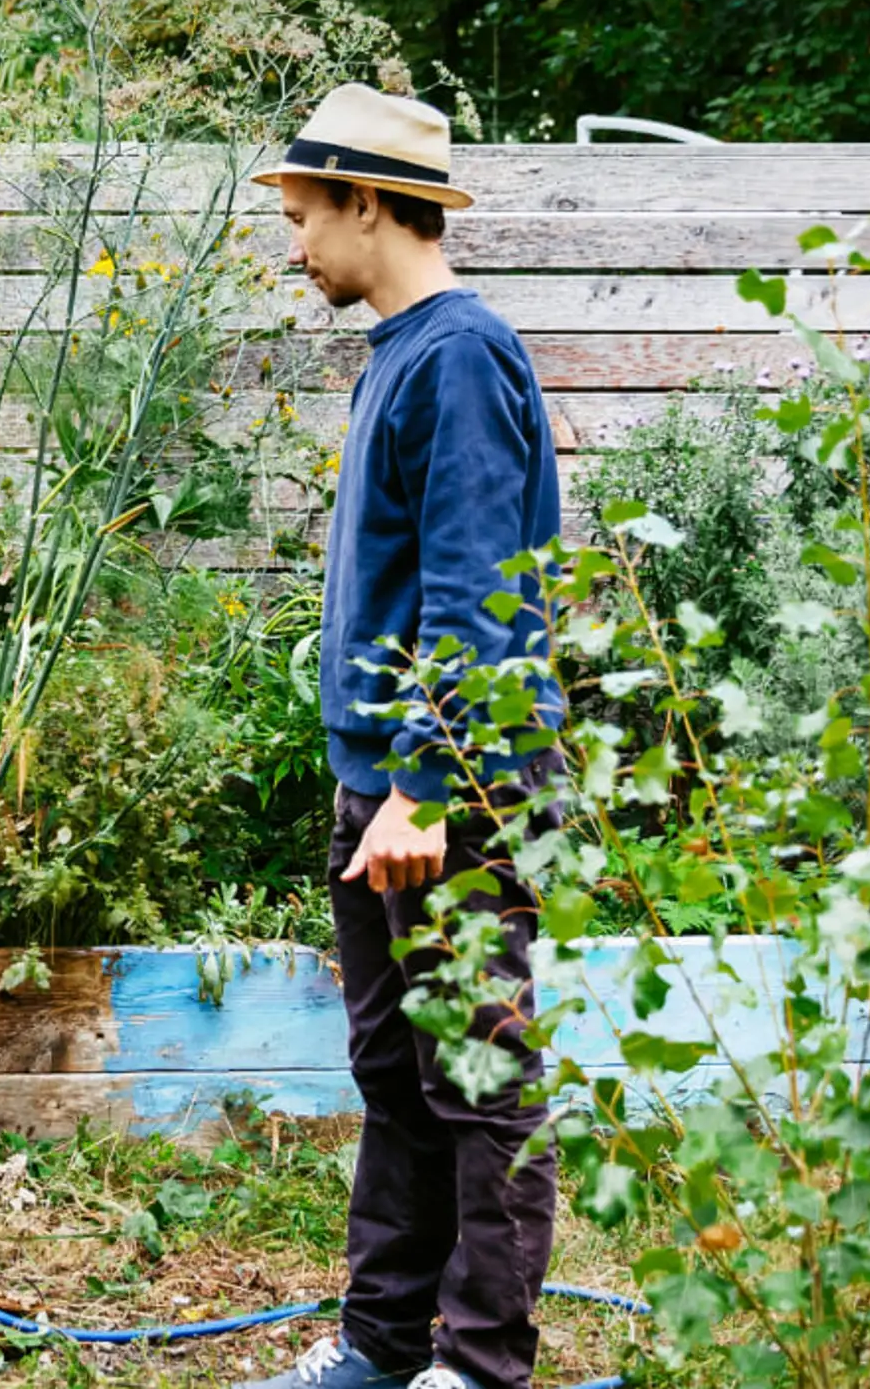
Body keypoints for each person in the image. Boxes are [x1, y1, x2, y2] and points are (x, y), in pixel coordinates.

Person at [233, 87, 563, 1389]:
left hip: (444, 792)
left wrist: (428, 789)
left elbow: (475, 590)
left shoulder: (460, 357)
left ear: (370, 203)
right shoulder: (401, 355)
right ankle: (380, 1354)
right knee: (396, 1073)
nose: (296, 244)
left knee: (477, 1077)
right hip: (379, 790)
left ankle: (476, 1369)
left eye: (307, 216)